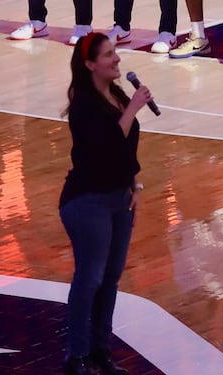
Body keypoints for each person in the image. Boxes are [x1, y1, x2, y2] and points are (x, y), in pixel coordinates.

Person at [59, 32, 152, 375]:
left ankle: (100, 352)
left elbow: (126, 150)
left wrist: (134, 183)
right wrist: (132, 108)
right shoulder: (84, 103)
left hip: (120, 199)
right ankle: (76, 356)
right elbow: (108, 143)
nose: (117, 59)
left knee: (110, 279)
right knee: (90, 278)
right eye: (109, 55)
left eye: (116, 52)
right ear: (89, 65)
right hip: (88, 202)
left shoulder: (114, 93)